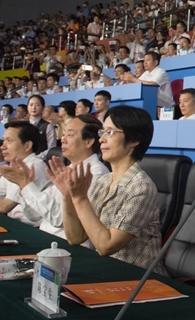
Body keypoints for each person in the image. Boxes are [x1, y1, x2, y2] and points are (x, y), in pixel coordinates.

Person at [51, 106, 166, 272]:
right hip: (105, 271)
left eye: (110, 132)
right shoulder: (104, 181)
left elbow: (106, 246)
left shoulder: (141, 187)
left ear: (134, 140)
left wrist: (80, 198)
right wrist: (68, 196)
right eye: (102, 132)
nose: (101, 139)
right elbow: (75, 237)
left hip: (137, 277)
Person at [0, 115, 108, 239]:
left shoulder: (96, 173)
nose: (63, 139)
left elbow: (61, 219)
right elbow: (35, 216)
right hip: (46, 238)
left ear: (88, 142)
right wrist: (23, 186)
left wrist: (25, 184)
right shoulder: (68, 168)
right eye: (64, 134)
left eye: (70, 135)